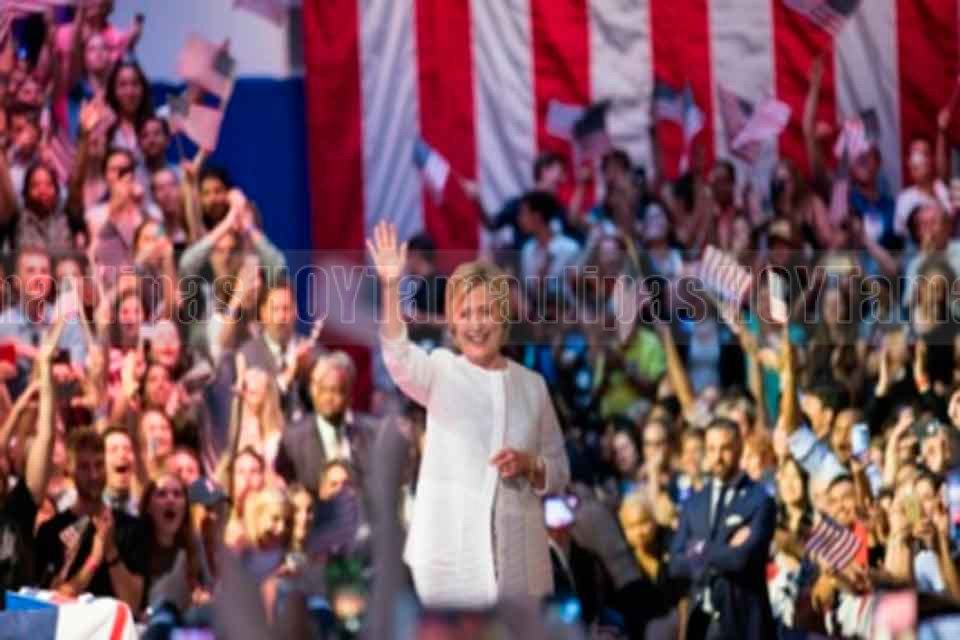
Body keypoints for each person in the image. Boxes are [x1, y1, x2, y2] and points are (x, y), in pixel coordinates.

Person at [369, 221, 570, 606]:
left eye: (486, 312)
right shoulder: (441, 370)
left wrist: (530, 464)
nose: (476, 324)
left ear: (503, 318)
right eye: (466, 313)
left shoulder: (532, 386)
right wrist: (392, 287)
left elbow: (559, 471)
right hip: (450, 561)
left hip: (517, 562)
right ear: (452, 322)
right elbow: (397, 355)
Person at [669, 418, 777, 640]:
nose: (717, 457)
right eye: (711, 449)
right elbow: (676, 564)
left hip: (744, 624)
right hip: (701, 625)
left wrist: (697, 550)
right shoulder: (694, 503)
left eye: (725, 448)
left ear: (739, 448)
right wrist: (723, 550)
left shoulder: (759, 500)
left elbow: (741, 559)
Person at [35, 428, 145, 612]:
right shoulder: (51, 531)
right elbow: (49, 603)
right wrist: (93, 560)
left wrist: (110, 551)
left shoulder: (131, 528)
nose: (94, 475)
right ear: (69, 470)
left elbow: (132, 605)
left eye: (99, 465)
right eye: (84, 467)